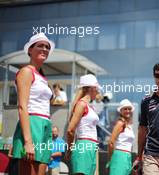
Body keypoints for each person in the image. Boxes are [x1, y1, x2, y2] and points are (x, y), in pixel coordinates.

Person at [11, 32, 55, 175]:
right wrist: (28, 141)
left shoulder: (41, 77)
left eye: (47, 47)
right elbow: (22, 107)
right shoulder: (26, 71)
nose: (44, 49)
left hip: (45, 125)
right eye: (40, 45)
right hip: (32, 124)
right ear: (30, 50)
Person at [65, 74, 100, 175]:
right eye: (96, 88)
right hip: (84, 145)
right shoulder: (81, 104)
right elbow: (70, 130)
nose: (98, 91)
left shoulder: (88, 106)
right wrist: (70, 149)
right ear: (91, 88)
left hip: (90, 146)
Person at [108, 99, 135, 175]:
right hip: (120, 156)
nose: (128, 111)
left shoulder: (129, 126)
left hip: (127, 156)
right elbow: (111, 143)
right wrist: (110, 159)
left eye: (129, 109)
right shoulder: (120, 123)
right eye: (125, 109)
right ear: (120, 111)